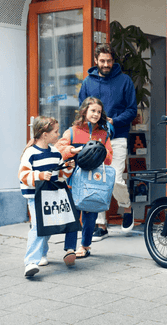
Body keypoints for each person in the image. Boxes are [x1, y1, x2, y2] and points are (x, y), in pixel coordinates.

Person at [78, 43, 138, 239]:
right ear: (96, 61)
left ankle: (126, 208)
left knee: (115, 179)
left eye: (109, 61)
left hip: (118, 136)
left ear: (114, 61)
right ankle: (100, 224)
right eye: (102, 61)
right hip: (94, 137)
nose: (105, 64)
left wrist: (114, 120)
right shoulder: (88, 82)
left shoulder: (125, 81)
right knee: (97, 179)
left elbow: (132, 110)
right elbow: (82, 107)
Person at [55, 97, 114, 258]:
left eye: (99, 112)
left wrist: (99, 151)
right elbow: (58, 149)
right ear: (84, 111)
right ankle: (69, 249)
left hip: (93, 182)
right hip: (73, 181)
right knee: (72, 215)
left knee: (90, 214)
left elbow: (109, 158)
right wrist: (72, 151)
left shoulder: (103, 134)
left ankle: (86, 246)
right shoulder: (72, 131)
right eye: (93, 110)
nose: (95, 114)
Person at [18, 116, 75, 277]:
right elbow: (22, 175)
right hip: (35, 197)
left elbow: (60, 176)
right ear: (44, 134)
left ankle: (42, 254)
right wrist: (40, 175)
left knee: (46, 227)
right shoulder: (30, 153)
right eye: (56, 132)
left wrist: (68, 168)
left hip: (51, 196)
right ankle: (30, 262)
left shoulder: (56, 153)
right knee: (38, 227)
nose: (58, 135)